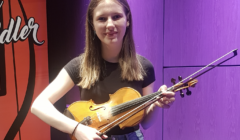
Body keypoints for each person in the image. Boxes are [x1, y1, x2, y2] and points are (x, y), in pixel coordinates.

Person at [31, 0, 175, 140]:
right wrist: (76, 128)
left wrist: (156, 104)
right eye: (101, 19)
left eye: (116, 16)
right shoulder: (79, 65)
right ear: (92, 24)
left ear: (128, 20)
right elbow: (38, 105)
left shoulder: (144, 67)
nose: (110, 24)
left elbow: (146, 123)